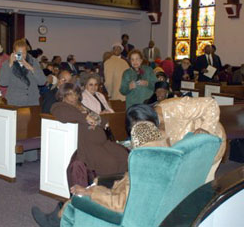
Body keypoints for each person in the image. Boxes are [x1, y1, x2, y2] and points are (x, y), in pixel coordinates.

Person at [31, 104, 166, 227]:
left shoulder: (144, 160)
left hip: (123, 212)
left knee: (78, 197)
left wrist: (90, 192)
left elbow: (120, 205)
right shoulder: (160, 149)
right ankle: (57, 215)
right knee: (86, 189)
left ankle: (55, 221)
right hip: (127, 198)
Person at [51, 83, 128, 176]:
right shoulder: (59, 106)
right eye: (70, 94)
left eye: (75, 93)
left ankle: (121, 184)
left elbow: (98, 117)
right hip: (88, 145)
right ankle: (105, 187)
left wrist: (102, 121)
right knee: (109, 162)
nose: (74, 97)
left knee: (124, 155)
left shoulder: (80, 105)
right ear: (62, 95)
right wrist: (85, 118)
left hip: (103, 142)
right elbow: (63, 115)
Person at [156, 97, 226, 181]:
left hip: (209, 140)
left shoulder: (174, 107)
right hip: (189, 151)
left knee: (204, 181)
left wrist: (206, 129)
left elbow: (211, 104)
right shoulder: (152, 128)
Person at [0, 38, 46, 106]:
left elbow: (42, 82)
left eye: (23, 53)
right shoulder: (6, 64)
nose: (21, 56)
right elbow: (3, 83)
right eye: (19, 53)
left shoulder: (33, 62)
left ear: (27, 51)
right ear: (14, 52)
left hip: (32, 101)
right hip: (14, 102)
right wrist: (10, 65)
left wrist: (30, 67)